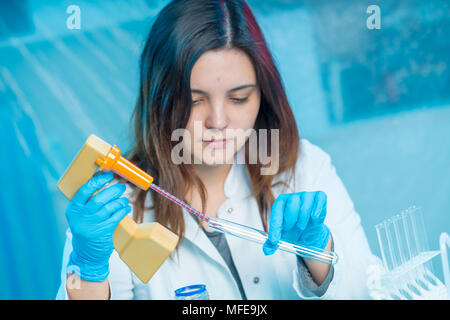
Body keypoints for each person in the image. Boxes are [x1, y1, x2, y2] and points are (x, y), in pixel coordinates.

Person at [56, 0, 380, 300]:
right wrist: (87, 267)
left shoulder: (303, 167)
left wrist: (318, 252)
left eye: (239, 98)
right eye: (194, 100)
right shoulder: (113, 205)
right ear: (159, 99)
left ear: (262, 95)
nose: (218, 121)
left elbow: (369, 290)